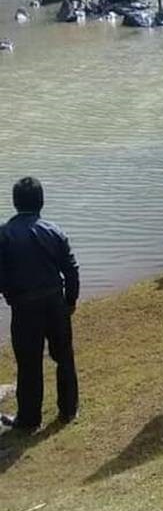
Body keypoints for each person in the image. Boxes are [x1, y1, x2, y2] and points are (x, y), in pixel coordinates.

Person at [0, 177, 79, 432]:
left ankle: (29, 419)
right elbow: (71, 270)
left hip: (24, 307)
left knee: (28, 363)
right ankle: (68, 410)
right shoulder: (54, 230)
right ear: (41, 202)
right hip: (55, 302)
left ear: (15, 202)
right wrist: (70, 300)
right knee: (64, 357)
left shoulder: (5, 234)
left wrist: (9, 295)